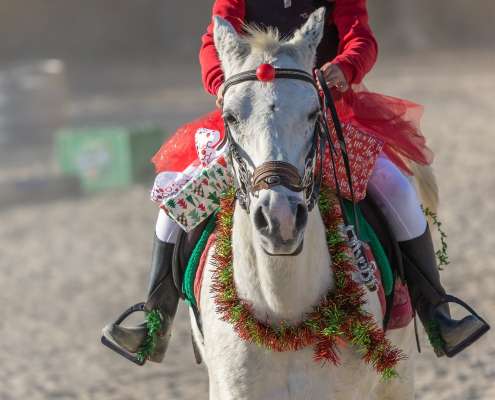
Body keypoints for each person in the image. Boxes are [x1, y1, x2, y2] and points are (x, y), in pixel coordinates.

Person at [102, 0, 488, 363]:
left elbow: (361, 38)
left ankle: (436, 313)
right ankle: (156, 322)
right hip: (253, 119)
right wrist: (221, 82)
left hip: (321, 113)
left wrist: (345, 67)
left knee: (398, 190)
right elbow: (213, 39)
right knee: (177, 199)